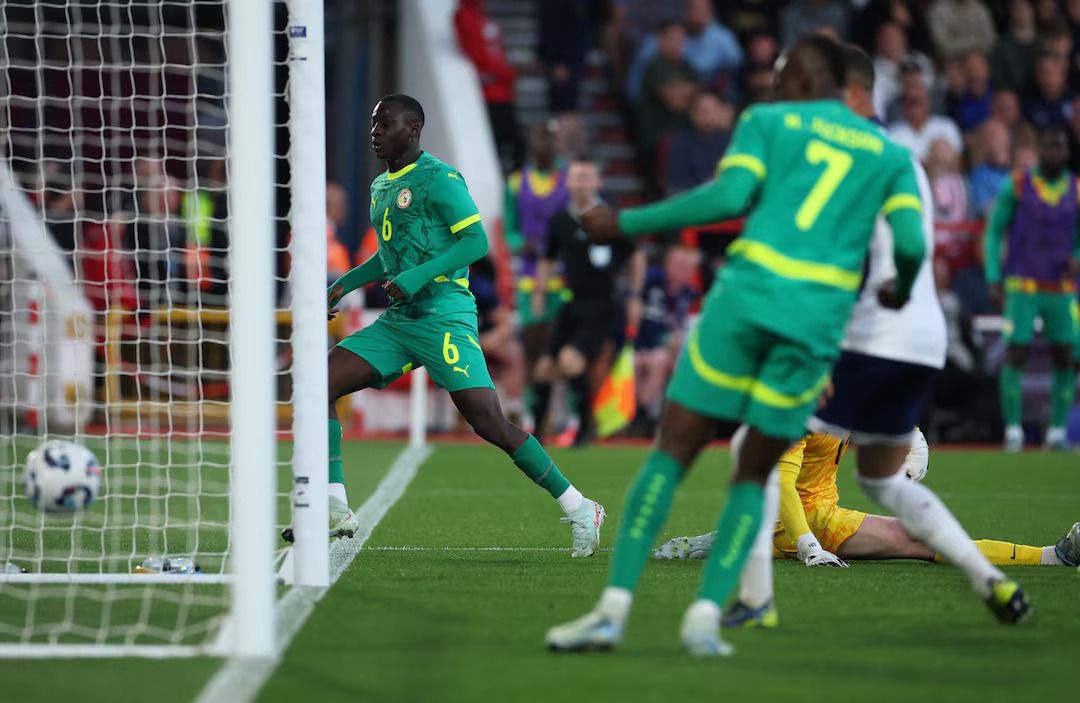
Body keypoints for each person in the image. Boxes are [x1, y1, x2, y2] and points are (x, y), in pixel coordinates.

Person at [546, 35, 929, 657]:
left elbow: (726, 197)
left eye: (779, 76)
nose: (773, 86)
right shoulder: (888, 155)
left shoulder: (767, 122)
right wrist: (900, 289)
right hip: (813, 327)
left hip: (746, 302)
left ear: (798, 80)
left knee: (672, 452)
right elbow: (910, 245)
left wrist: (628, 221)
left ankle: (611, 613)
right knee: (756, 470)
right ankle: (704, 620)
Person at [308, 95, 606, 558]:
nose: (375, 132)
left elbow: (476, 241)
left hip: (444, 317)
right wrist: (343, 284)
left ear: (413, 129)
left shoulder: (440, 179)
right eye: (373, 124)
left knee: (489, 422)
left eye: (385, 124)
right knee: (317, 383)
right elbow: (389, 255)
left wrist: (417, 277)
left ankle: (581, 507)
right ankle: (335, 506)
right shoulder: (381, 186)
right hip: (400, 322)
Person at [796, 44, 1029, 626]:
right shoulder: (907, 160)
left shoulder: (847, 158)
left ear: (847, 94)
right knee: (882, 484)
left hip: (872, 327)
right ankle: (992, 578)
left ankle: (751, 597)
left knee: (766, 439)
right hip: (922, 333)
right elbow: (909, 240)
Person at [654, 431, 1080, 571]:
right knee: (918, 539)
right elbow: (781, 484)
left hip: (810, 513)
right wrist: (808, 545)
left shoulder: (843, 390)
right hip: (808, 519)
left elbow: (889, 424)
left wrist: (912, 444)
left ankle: (735, 539)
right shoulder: (799, 404)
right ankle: (1053, 556)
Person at [531, 158, 646, 446]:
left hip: (602, 305)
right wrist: (539, 292)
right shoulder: (561, 220)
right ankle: (535, 437)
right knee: (544, 369)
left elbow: (636, 255)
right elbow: (547, 259)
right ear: (567, 182)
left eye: (586, 176)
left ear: (598, 182)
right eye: (575, 176)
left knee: (570, 362)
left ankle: (585, 428)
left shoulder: (610, 218)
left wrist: (635, 295)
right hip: (571, 303)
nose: (580, 182)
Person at [984, 125, 1080, 452]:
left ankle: (1056, 433)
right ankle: (1013, 431)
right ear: (1040, 150)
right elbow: (994, 231)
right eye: (1050, 146)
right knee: (1016, 352)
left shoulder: (1075, 189)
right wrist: (993, 276)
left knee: (1067, 355)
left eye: (1061, 147)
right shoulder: (1019, 184)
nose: (1056, 153)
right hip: (1023, 284)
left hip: (1061, 286)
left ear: (1067, 152)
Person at [504, 123, 571, 417]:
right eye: (539, 141)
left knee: (565, 348)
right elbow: (509, 229)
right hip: (530, 280)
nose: (544, 147)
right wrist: (521, 244)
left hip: (564, 276)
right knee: (532, 346)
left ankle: (570, 413)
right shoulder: (516, 183)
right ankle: (535, 410)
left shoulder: (570, 178)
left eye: (549, 141)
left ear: (557, 145)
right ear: (531, 147)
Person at [633, 245, 699, 434]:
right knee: (641, 362)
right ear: (667, 264)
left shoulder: (689, 294)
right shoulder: (650, 282)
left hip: (669, 354)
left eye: (688, 267)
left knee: (664, 361)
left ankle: (652, 418)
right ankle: (640, 416)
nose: (684, 271)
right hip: (639, 347)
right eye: (679, 265)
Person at [454, 0, 521, 171]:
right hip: (490, 95)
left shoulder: (482, 17)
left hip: (502, 92)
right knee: (502, 141)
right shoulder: (465, 16)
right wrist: (505, 73)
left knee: (514, 141)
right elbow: (476, 52)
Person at [665, 91, 734, 194]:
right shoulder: (680, 142)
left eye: (710, 110)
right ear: (691, 114)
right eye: (699, 109)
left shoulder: (736, 139)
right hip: (694, 198)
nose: (704, 114)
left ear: (723, 111)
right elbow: (677, 183)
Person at [887, 78, 963, 162]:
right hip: (912, 171)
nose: (916, 107)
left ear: (928, 102)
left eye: (919, 101)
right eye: (912, 103)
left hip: (944, 170)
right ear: (903, 107)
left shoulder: (946, 126)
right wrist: (929, 162)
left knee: (941, 146)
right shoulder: (894, 134)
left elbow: (959, 161)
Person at [927, 0, 996, 60]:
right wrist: (971, 47)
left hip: (982, 55)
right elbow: (943, 45)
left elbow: (990, 38)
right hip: (953, 59)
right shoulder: (938, 10)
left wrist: (976, 51)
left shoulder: (978, 6)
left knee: (975, 59)